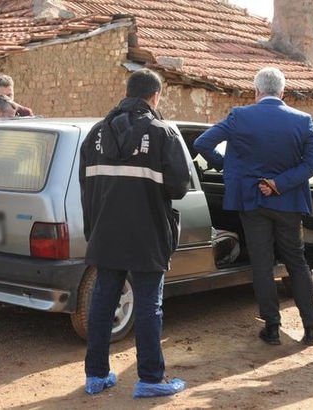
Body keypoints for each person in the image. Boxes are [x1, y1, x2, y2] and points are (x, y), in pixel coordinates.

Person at [79, 68, 190, 398]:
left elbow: (86, 188)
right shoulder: (162, 133)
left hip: (105, 233)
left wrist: (92, 230)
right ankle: (151, 379)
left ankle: (96, 376)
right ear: (155, 96)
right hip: (147, 234)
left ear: (127, 93)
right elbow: (179, 187)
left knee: (102, 302)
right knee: (148, 306)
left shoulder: (95, 134)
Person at [194, 67, 313, 346]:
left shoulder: (239, 116)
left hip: (252, 201)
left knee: (262, 264)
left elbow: (202, 143)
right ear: (283, 92)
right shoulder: (303, 120)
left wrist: (227, 166)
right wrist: (279, 184)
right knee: (296, 262)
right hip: (288, 202)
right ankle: (311, 329)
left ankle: (272, 328)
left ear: (256, 91)